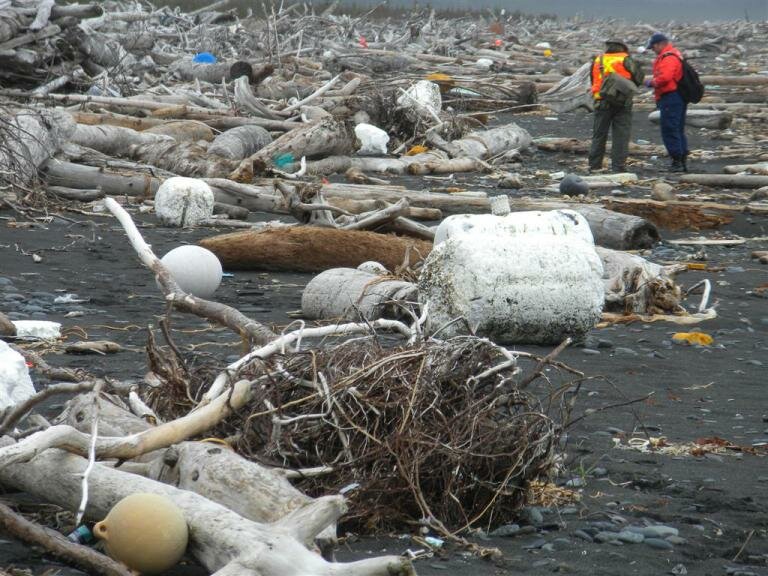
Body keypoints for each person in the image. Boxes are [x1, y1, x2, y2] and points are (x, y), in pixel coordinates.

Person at [588, 39, 644, 173]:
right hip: (622, 103)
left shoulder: (597, 60)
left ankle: (594, 165)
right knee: (621, 135)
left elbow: (592, 80)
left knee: (599, 135)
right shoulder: (626, 59)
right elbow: (639, 79)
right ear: (623, 48)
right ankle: (618, 166)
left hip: (601, 101)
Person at [644, 33, 688, 172]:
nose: (653, 50)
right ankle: (681, 159)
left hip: (671, 97)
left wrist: (651, 82)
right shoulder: (674, 54)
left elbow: (665, 77)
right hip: (677, 96)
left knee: (670, 128)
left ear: (659, 44)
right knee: (677, 128)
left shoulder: (668, 57)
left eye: (653, 47)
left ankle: (677, 161)